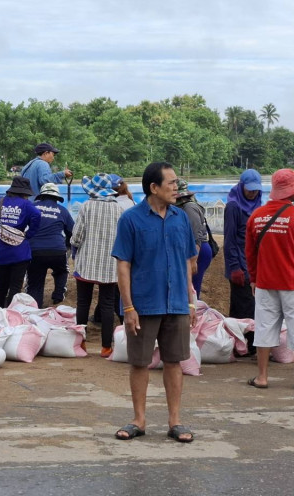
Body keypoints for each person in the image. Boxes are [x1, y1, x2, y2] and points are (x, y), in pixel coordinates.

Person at [111, 161, 197, 443]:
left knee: (174, 362)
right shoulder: (131, 219)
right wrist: (128, 307)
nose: (176, 187)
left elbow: (188, 262)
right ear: (154, 187)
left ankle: (175, 421)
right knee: (139, 363)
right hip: (143, 304)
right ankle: (139, 420)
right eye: (171, 183)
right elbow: (123, 265)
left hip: (177, 304)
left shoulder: (180, 218)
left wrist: (191, 302)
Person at [245, 168, 294, 391]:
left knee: (264, 329)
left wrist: (254, 279)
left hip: (265, 283)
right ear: (291, 191)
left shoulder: (256, 216)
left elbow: (250, 253)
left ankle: (262, 377)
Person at [72, 174, 122, 358]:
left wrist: (74, 246)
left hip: (86, 263)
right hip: (110, 265)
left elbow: (77, 236)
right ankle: (106, 347)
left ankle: (81, 343)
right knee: (107, 304)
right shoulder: (119, 209)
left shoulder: (87, 206)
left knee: (83, 302)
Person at [0, 176, 41, 307]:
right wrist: (28, 234)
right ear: (25, 192)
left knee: (1, 287)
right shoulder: (26, 204)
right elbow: (37, 215)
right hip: (20, 252)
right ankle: (11, 314)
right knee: (15, 288)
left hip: (2, 252)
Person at [26, 183, 74, 308]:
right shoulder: (63, 210)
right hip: (57, 250)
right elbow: (71, 231)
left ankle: (36, 306)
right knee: (62, 271)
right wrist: (66, 245)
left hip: (35, 251)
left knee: (35, 282)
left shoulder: (32, 207)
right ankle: (58, 297)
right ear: (56, 198)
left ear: (41, 196)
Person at [223, 169, 262, 321]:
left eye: (255, 190)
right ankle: (243, 336)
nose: (252, 193)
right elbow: (229, 240)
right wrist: (234, 267)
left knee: (251, 307)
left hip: (253, 265)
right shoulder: (233, 207)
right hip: (240, 266)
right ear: (241, 186)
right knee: (244, 309)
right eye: (249, 189)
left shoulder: (258, 205)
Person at [174, 180, 212, 298]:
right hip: (191, 250)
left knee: (192, 287)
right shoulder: (182, 207)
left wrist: (193, 260)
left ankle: (194, 307)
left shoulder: (189, 207)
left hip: (198, 250)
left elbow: (195, 235)